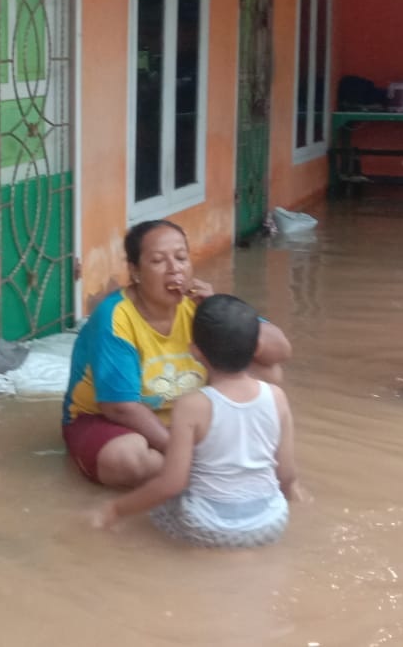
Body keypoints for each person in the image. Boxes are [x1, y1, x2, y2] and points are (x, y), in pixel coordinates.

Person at [62, 220, 292, 489]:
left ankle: (191, 468)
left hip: (183, 421)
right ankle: (197, 470)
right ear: (135, 271)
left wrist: (214, 308)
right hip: (109, 420)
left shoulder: (200, 306)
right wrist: (191, 457)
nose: (175, 269)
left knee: (268, 374)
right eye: (158, 261)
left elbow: (281, 350)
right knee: (127, 459)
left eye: (181, 258)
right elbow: (119, 407)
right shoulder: (115, 318)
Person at [89, 295, 303, 548]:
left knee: (158, 511)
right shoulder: (277, 397)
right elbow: (286, 473)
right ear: (256, 348)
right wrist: (295, 495)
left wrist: (115, 510)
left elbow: (171, 483)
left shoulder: (191, 406)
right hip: (271, 522)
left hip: (210, 527)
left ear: (195, 352)